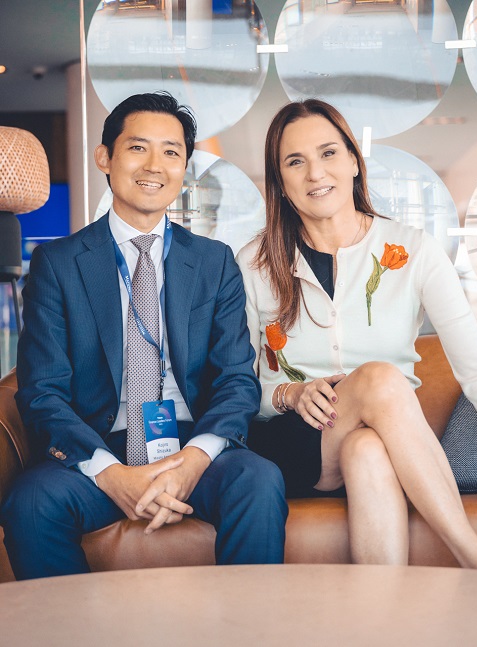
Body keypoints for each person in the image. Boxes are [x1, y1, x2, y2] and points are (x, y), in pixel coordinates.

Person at [1, 91, 287, 580]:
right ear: (105, 157)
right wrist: (112, 476)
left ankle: (246, 620)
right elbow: (43, 391)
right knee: (31, 501)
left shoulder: (214, 262)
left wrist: (192, 462)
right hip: (98, 447)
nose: (155, 165)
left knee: (258, 479)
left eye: (171, 152)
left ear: (184, 167)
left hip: (192, 442)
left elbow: (237, 380)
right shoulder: (58, 263)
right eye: (138, 147)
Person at [236, 98, 477, 570]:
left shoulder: (414, 250)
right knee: (379, 377)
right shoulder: (254, 263)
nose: (316, 173)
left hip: (376, 437)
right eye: (295, 161)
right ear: (280, 182)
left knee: (368, 450)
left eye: (328, 153)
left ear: (354, 162)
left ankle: (380, 609)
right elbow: (237, 388)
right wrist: (291, 394)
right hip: (293, 442)